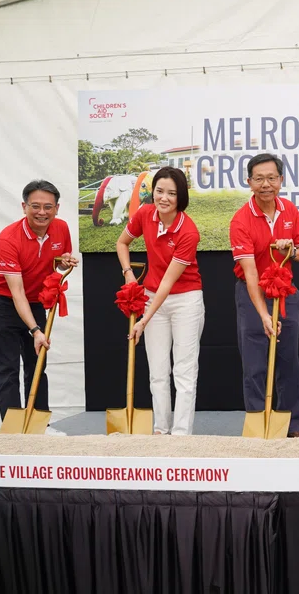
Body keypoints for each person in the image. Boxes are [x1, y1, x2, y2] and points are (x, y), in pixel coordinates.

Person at [116, 166, 204, 435]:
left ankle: (180, 435)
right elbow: (122, 243)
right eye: (159, 191)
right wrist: (129, 274)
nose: (163, 198)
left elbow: (168, 281)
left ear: (181, 198)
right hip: (152, 297)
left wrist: (144, 319)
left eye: (171, 193)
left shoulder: (188, 232)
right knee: (157, 371)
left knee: (184, 372)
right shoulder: (144, 214)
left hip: (186, 301)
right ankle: (160, 431)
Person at [229, 153, 299, 438]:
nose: (266, 184)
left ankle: (292, 425)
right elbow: (250, 274)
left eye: (272, 178)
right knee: (255, 364)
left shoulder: (289, 209)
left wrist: (290, 250)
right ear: (249, 182)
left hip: (286, 293)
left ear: (281, 180)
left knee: (288, 361)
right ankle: (257, 423)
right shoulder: (240, 220)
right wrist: (263, 314)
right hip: (254, 295)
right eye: (259, 178)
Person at [0, 180, 78, 435]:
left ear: (57, 208)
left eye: (48, 207)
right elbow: (16, 293)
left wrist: (64, 264)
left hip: (36, 299)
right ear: (24, 206)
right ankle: (13, 431)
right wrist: (36, 330)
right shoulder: (8, 239)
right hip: (4, 301)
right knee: (7, 368)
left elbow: (56, 265)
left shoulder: (61, 228)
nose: (42, 212)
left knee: (37, 363)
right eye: (35, 206)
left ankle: (39, 428)